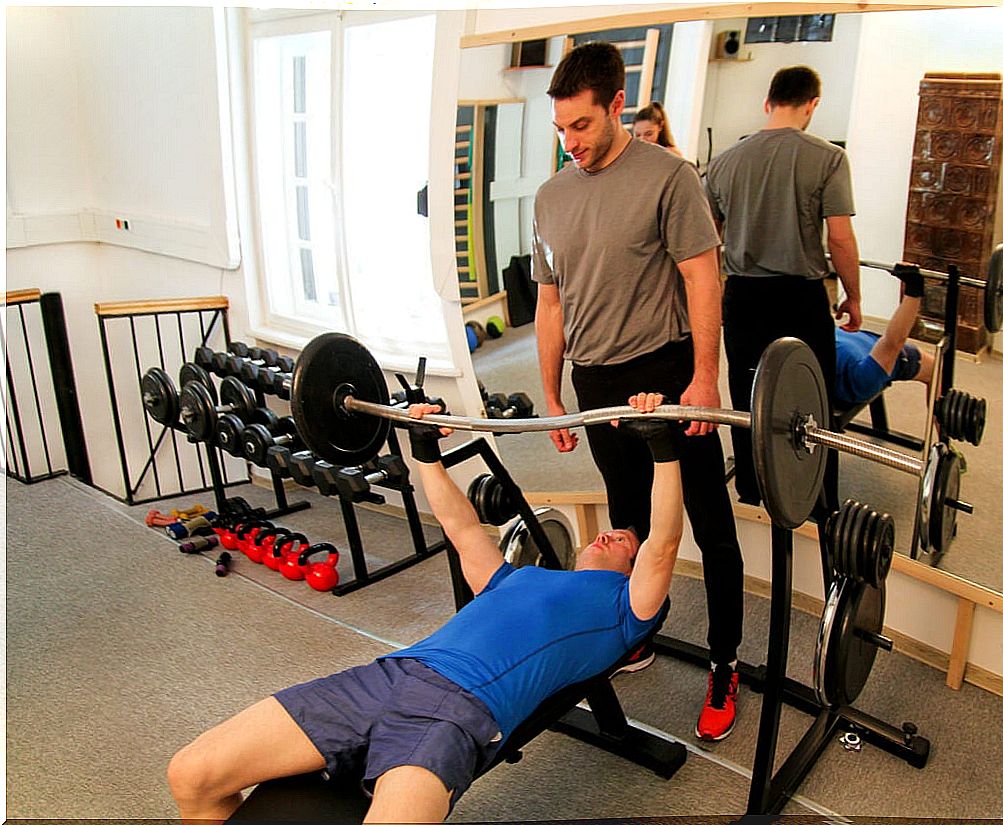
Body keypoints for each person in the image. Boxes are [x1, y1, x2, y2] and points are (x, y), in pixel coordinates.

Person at [167, 395, 684, 824]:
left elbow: (662, 541)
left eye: (626, 544)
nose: (617, 535)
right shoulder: (517, 576)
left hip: (459, 710)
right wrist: (424, 452)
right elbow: (460, 527)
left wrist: (661, 446)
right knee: (191, 773)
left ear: (634, 568)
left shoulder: (624, 609)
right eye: (612, 532)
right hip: (385, 677)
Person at [532, 42, 745, 742]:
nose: (572, 143)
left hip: (665, 371)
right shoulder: (552, 195)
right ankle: (635, 633)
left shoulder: (669, 176)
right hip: (596, 382)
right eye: (562, 129)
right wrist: (554, 392)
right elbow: (552, 301)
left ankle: (724, 660)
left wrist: (705, 375)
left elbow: (701, 277)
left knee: (709, 522)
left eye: (583, 126)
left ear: (617, 105)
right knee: (629, 520)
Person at [704, 64, 862, 510]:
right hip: (800, 297)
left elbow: (705, 242)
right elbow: (840, 238)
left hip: (743, 297)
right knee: (811, 397)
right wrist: (854, 294)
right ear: (812, 105)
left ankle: (754, 490)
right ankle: (815, 497)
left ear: (767, 102)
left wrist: (711, 297)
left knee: (748, 394)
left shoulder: (724, 162)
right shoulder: (828, 158)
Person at [834, 263, 935, 409]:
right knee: (937, 370)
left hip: (853, 339)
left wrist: (852, 298)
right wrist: (914, 288)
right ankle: (946, 432)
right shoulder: (861, 380)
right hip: (872, 351)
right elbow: (894, 342)